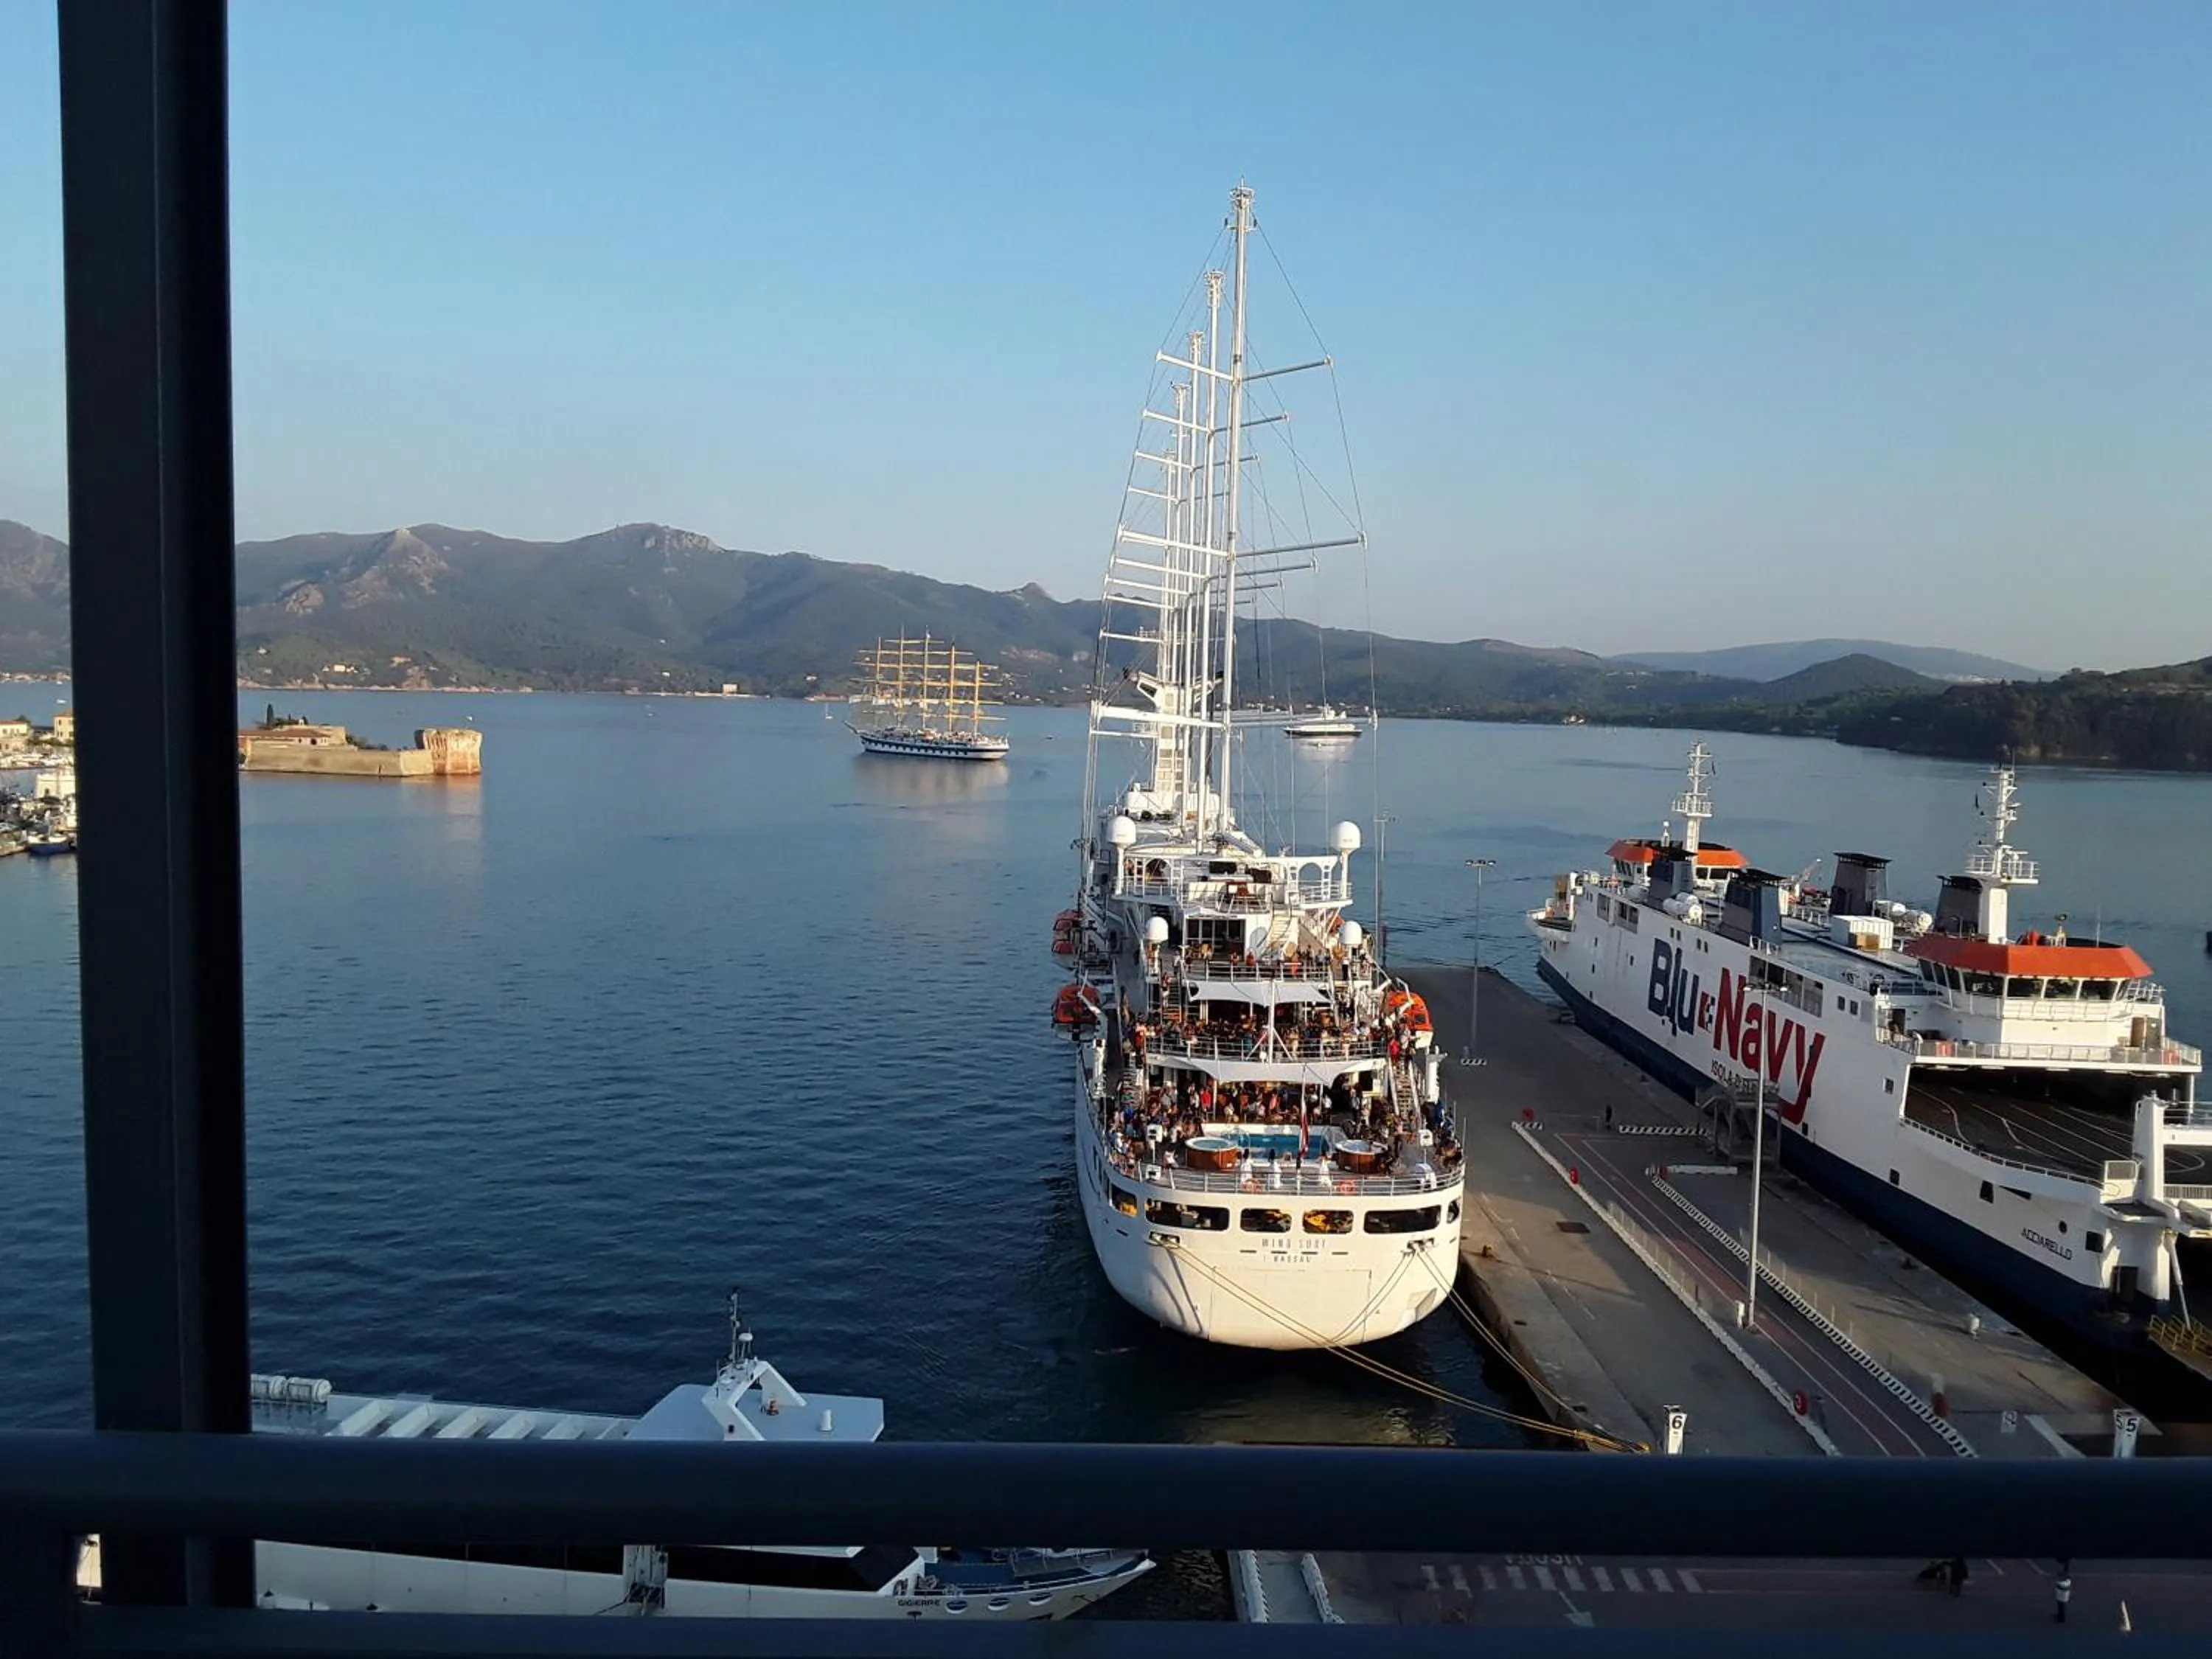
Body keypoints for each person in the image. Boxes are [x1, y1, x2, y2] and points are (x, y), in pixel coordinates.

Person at [2053, 1559, 2072, 1624]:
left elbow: (2062, 1586)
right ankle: (2060, 1616)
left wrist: (2057, 1585)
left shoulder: (2066, 1581)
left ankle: (2061, 1618)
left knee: (2062, 1606)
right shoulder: (2067, 1580)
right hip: (2062, 1594)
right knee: (2060, 1605)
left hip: (2062, 1595)